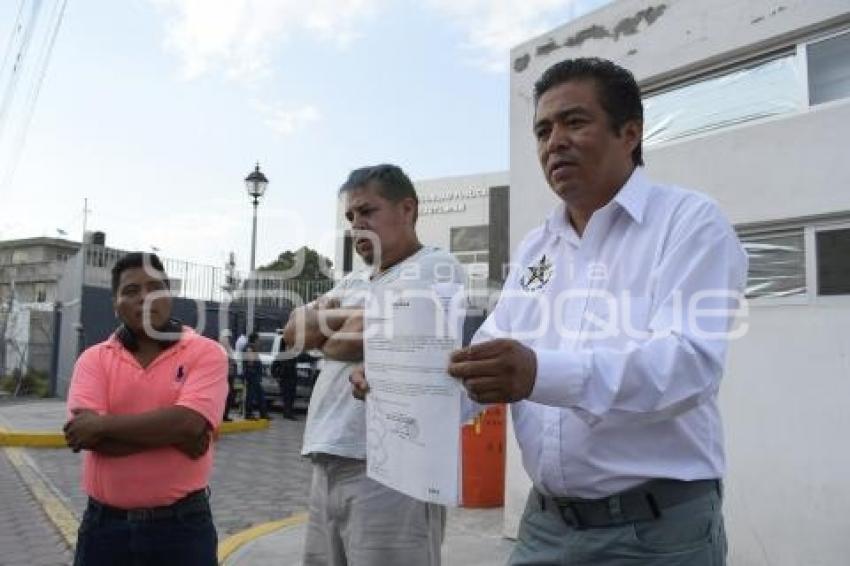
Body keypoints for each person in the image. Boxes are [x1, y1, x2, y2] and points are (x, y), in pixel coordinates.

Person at [446, 58, 748, 565]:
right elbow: (491, 352)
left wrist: (539, 373)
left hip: (655, 535)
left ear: (629, 133)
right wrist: (407, 386)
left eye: (574, 122)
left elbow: (688, 364)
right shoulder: (536, 249)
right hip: (545, 526)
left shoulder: (690, 223)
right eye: (543, 130)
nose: (553, 141)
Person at [283, 164, 462, 566]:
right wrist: (342, 323)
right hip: (326, 461)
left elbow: (357, 339)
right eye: (350, 216)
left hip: (391, 472)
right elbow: (293, 332)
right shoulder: (352, 281)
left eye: (367, 212)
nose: (356, 225)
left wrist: (325, 329)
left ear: (407, 209)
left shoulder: (435, 267)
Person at [64, 252, 228, 566]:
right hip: (104, 529)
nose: (144, 297)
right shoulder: (93, 359)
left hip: (183, 528)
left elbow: (190, 425)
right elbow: (85, 436)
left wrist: (102, 425)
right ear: (115, 302)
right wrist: (174, 433)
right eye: (130, 291)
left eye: (155, 287)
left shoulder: (207, 353)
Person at [242, 340, 269, 420]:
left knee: (260, 396)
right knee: (251, 396)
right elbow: (249, 366)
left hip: (255, 378)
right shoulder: (249, 353)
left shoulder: (254, 354)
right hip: (252, 378)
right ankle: (249, 414)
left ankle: (263, 413)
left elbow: (257, 366)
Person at [219, 329, 237, 422]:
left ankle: (225, 415)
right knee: (225, 396)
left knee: (228, 396)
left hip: (229, 376)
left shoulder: (228, 349)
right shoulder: (222, 349)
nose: (228, 340)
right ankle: (223, 415)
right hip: (225, 377)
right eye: (227, 338)